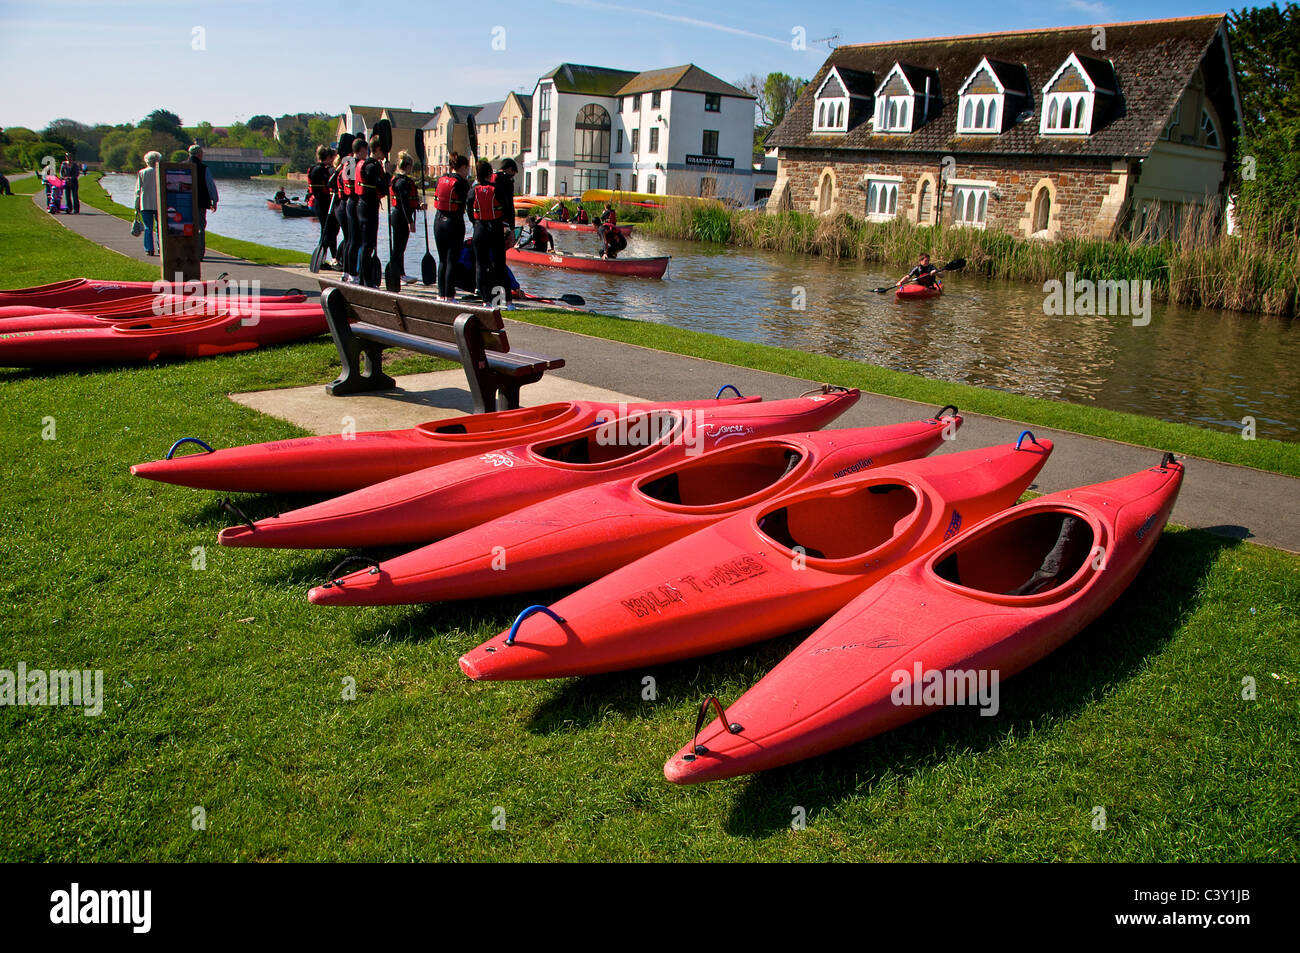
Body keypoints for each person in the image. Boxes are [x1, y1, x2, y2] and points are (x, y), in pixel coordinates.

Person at [469, 158, 510, 305]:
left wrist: (476, 223)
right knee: (499, 265)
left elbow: (469, 211)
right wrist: (508, 226)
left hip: (479, 230)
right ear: (489, 174)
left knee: (481, 265)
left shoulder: (472, 191)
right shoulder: (496, 188)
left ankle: (486, 301)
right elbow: (506, 207)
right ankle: (506, 302)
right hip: (495, 229)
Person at [432, 152, 471, 300]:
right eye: (467, 169)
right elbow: (468, 202)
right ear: (462, 167)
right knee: (452, 260)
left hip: (438, 221)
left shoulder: (441, 179)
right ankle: (450, 295)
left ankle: (440, 293)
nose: (467, 172)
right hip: (453, 222)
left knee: (442, 260)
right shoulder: (461, 183)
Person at [353, 135, 389, 286]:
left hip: (363, 205)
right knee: (368, 245)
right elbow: (383, 188)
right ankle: (366, 281)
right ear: (378, 149)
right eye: (384, 150)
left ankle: (364, 279)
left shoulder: (365, 163)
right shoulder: (372, 166)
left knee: (367, 244)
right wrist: (387, 173)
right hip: (368, 207)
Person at [388, 150, 422, 282]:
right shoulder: (402, 182)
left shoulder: (401, 180)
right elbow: (403, 203)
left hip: (399, 215)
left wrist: (419, 206)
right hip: (400, 216)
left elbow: (408, 202)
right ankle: (395, 273)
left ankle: (400, 273)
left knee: (401, 247)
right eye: (411, 166)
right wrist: (410, 221)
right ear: (407, 166)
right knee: (398, 248)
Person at [307, 145, 337, 266]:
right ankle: (329, 258)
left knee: (327, 231)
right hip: (325, 203)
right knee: (328, 232)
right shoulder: (325, 169)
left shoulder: (313, 168)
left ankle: (330, 257)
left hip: (318, 202)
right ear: (328, 157)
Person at [189, 144, 219, 259]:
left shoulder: (182, 166)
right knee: (200, 227)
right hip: (200, 202)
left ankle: (188, 251)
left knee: (187, 227)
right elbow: (210, 185)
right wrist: (214, 201)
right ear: (198, 154)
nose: (202, 155)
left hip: (184, 203)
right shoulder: (203, 168)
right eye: (201, 153)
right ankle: (199, 253)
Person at [133, 151, 163, 256]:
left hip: (145, 203)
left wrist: (136, 206)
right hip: (159, 203)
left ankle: (149, 248)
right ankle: (161, 247)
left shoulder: (142, 173)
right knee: (160, 227)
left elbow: (138, 191)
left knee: (148, 227)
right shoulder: (161, 172)